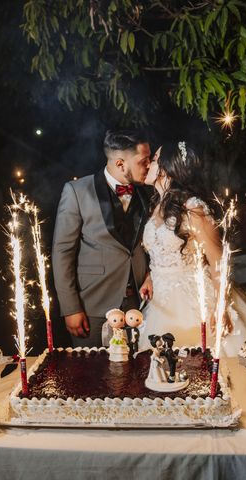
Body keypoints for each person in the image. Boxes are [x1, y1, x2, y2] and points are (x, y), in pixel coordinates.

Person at [138, 142, 246, 356]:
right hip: (160, 300)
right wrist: (151, 276)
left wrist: (220, 307)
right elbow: (162, 252)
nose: (148, 163)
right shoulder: (156, 205)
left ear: (166, 168)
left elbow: (218, 260)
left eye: (153, 160)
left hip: (192, 301)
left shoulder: (193, 208)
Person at [52, 129, 152, 347]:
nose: (149, 166)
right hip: (93, 306)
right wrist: (71, 308)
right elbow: (63, 252)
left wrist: (150, 274)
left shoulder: (147, 192)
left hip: (140, 303)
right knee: (93, 375)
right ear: (120, 164)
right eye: (144, 161)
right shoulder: (77, 191)